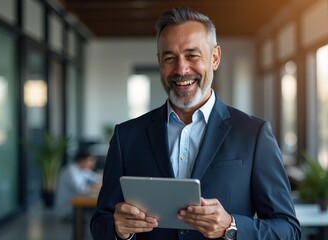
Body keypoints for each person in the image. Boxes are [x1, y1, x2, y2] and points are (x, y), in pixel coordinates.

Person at [90, 6, 301, 240]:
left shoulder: (254, 134)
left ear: (215, 57)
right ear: (160, 62)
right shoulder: (126, 136)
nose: (181, 69)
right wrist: (119, 230)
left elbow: (288, 230)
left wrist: (231, 227)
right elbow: (101, 223)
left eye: (192, 55)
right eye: (170, 58)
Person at [55, 150, 102, 220]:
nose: (92, 165)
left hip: (77, 207)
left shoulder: (83, 169)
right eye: (90, 161)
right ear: (81, 161)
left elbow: (96, 178)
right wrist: (94, 186)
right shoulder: (70, 170)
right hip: (68, 211)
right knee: (96, 213)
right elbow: (81, 189)